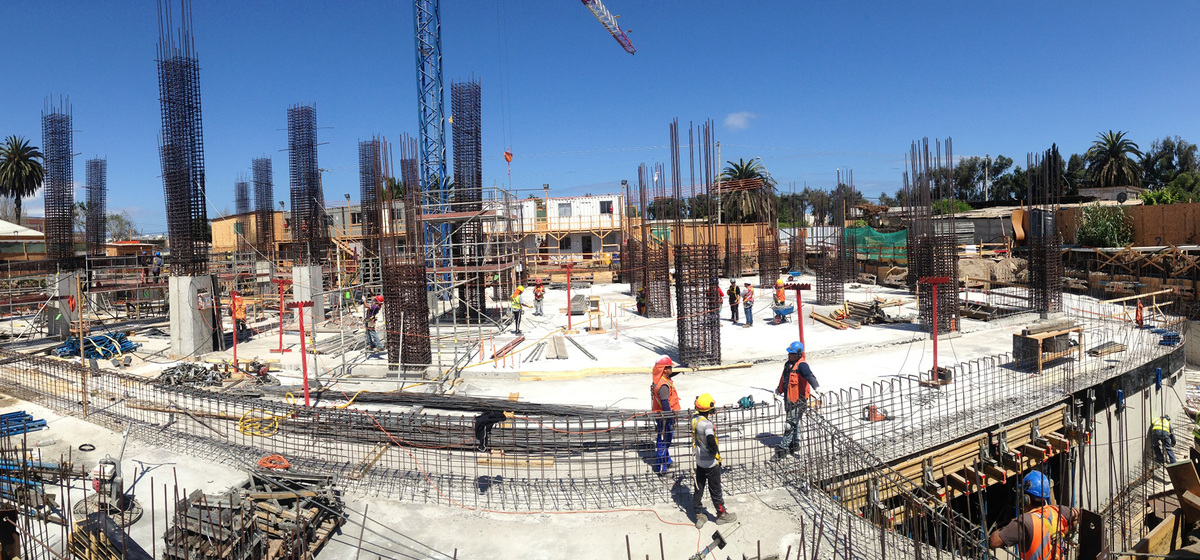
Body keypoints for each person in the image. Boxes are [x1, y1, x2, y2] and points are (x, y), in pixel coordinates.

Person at [989, 471, 1078, 559]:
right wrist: (1064, 533)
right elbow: (1078, 515)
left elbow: (994, 541)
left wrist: (1005, 529)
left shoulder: (1025, 522)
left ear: (1026, 499)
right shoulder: (1057, 510)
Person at [692, 393, 735, 526]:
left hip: (699, 462)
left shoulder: (694, 420)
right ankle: (721, 514)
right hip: (710, 463)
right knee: (715, 490)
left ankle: (699, 515)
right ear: (709, 410)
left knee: (699, 488)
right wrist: (714, 449)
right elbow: (710, 438)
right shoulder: (707, 425)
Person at [775, 341, 820, 458]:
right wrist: (778, 390)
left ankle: (783, 449)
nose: (789, 355)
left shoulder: (802, 365)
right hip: (789, 400)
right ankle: (795, 443)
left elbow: (810, 376)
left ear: (798, 354)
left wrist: (816, 387)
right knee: (795, 422)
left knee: (790, 424)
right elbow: (784, 380)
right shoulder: (788, 365)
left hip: (799, 401)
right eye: (789, 353)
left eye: (791, 354)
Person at [650, 355, 680, 475]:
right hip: (664, 417)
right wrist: (671, 418)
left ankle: (667, 461)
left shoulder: (660, 379)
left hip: (662, 415)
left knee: (664, 439)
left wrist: (683, 367)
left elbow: (672, 374)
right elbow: (665, 403)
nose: (671, 369)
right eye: (669, 367)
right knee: (664, 440)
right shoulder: (663, 386)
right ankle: (662, 467)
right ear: (664, 369)